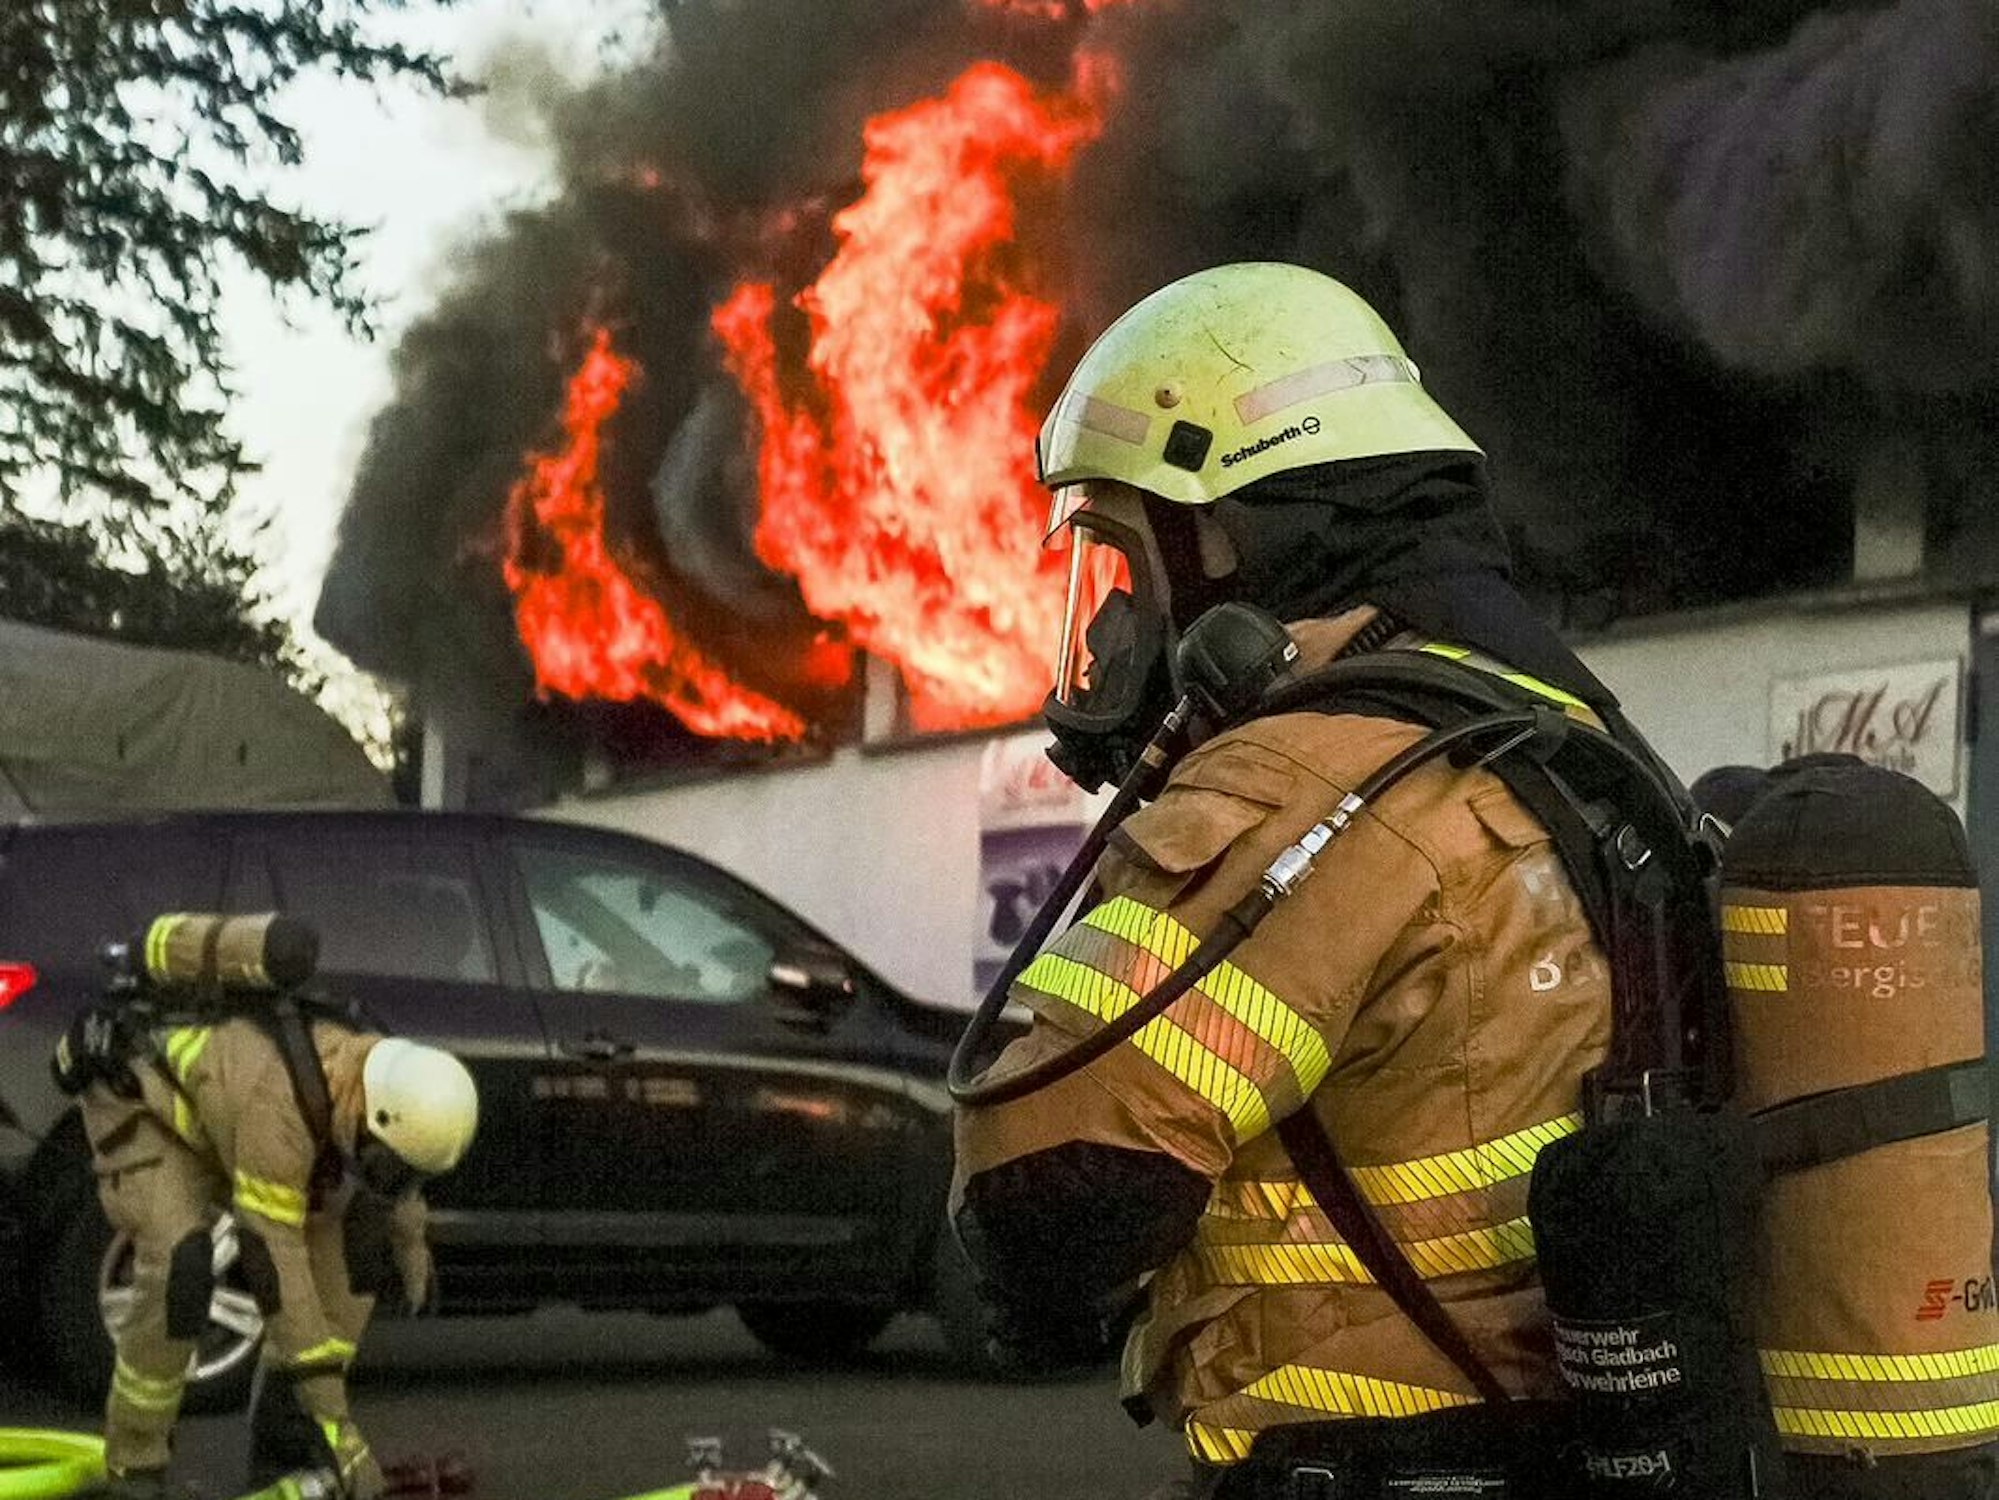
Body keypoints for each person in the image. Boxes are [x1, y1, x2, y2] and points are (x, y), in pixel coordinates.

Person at [952, 262, 1673, 1494]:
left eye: (1124, 560)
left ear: (1231, 540)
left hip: (1358, 1457)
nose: (1114, 623)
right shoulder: (1567, 738)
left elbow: (1055, 1198)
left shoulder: (1311, 779)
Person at [74, 989, 478, 1500]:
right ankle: (135, 1466)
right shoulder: (282, 1103)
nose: (392, 1177)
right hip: (152, 1112)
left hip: (244, 1132)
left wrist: (411, 1248)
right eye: (389, 1164)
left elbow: (398, 1182)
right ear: (371, 1114)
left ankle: (286, 1439)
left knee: (356, 1251)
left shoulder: (383, 1086)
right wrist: (339, 1427)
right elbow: (275, 1265)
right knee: (182, 1263)